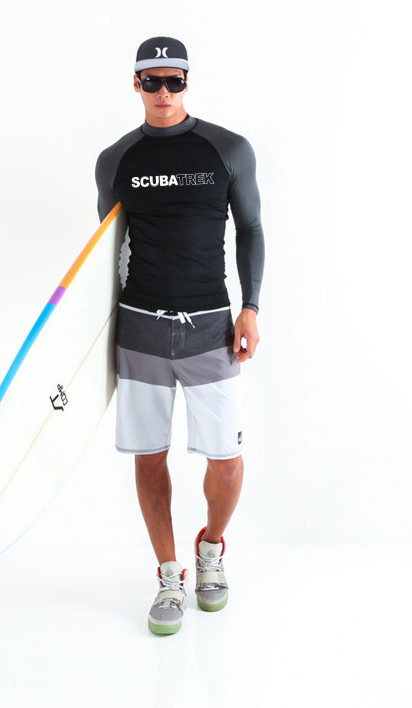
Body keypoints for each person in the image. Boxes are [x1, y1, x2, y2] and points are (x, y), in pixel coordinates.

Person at [95, 36, 265, 635]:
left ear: (187, 82)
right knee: (149, 456)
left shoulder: (228, 149)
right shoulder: (116, 159)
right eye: (152, 81)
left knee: (227, 460)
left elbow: (251, 228)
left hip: (209, 327)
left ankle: (211, 546)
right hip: (139, 328)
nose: (164, 92)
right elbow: (106, 251)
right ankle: (169, 573)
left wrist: (251, 308)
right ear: (136, 84)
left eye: (174, 81)